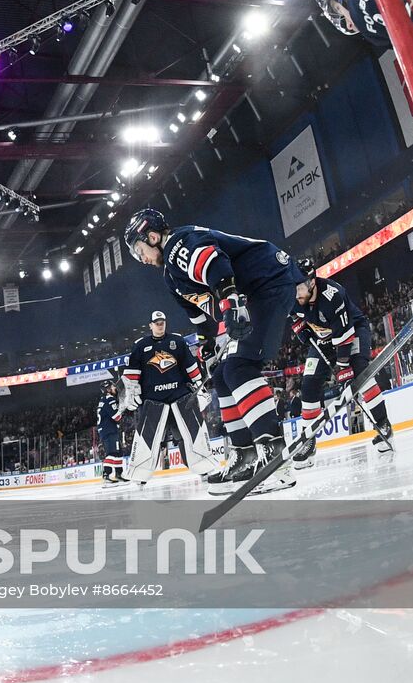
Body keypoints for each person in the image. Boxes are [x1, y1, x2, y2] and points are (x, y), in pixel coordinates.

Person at [124, 209, 297, 495]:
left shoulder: (178, 244)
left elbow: (214, 264)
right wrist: (206, 343)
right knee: (221, 376)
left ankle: (276, 460)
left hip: (267, 283)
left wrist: (230, 302)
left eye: (138, 249)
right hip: (255, 291)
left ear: (152, 237)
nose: (140, 258)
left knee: (240, 368)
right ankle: (245, 454)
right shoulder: (170, 273)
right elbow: (199, 314)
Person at [289, 259, 394, 466]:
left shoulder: (332, 295)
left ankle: (383, 424)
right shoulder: (294, 293)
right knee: (309, 384)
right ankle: (308, 440)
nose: (295, 293)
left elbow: (344, 337)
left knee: (360, 374)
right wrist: (300, 327)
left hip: (352, 332)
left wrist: (344, 368)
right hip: (322, 339)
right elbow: (293, 313)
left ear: (311, 283)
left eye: (299, 288)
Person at [119, 310, 218, 485]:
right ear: (150, 325)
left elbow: (190, 366)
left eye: (162, 321)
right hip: (153, 402)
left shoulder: (177, 341)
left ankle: (204, 466)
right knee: (148, 439)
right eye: (156, 322)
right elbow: (131, 373)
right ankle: (139, 474)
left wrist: (198, 386)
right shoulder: (141, 346)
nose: (160, 324)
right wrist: (131, 391)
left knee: (189, 435)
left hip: (181, 398)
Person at [96, 380, 128, 483]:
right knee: (112, 452)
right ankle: (106, 474)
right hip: (109, 430)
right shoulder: (110, 400)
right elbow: (116, 417)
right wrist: (123, 407)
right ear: (108, 389)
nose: (115, 388)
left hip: (108, 430)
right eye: (113, 386)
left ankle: (119, 474)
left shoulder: (103, 400)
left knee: (118, 452)